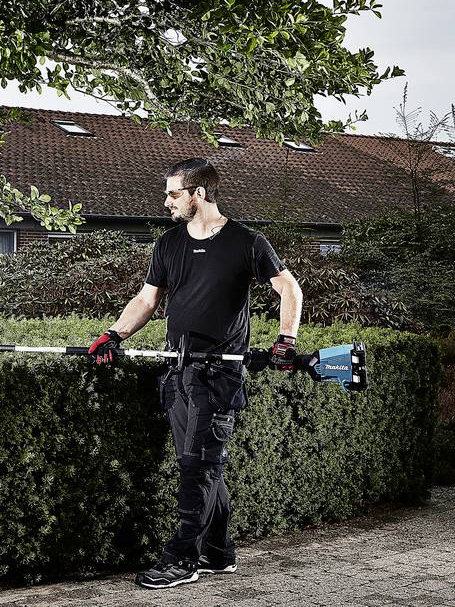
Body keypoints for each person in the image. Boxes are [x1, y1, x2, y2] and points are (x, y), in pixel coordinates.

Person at [87, 157, 303, 590]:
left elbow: (289, 289)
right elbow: (147, 301)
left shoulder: (246, 242)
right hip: (176, 371)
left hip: (217, 376)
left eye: (173, 193)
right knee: (204, 466)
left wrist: (286, 341)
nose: (166, 201)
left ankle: (183, 559)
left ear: (197, 194)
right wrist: (113, 334)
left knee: (196, 466)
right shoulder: (168, 244)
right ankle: (219, 553)